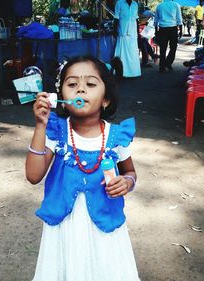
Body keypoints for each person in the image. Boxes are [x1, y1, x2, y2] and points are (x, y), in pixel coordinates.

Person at [26, 56, 140, 281]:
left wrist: (126, 183)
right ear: (60, 97)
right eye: (71, 84)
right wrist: (40, 126)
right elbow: (33, 175)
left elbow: (130, 172)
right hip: (64, 226)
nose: (80, 90)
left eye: (90, 84)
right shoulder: (56, 132)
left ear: (106, 99)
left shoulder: (117, 137)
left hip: (104, 225)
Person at [114, 0, 142, 78]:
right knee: (122, 53)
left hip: (132, 32)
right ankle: (122, 73)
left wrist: (137, 32)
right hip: (123, 31)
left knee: (133, 53)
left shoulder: (135, 4)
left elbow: (136, 19)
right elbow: (116, 18)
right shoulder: (119, 3)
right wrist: (114, 30)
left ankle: (133, 72)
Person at [154, 0, 183, 73]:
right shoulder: (176, 5)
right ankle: (168, 62)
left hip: (162, 28)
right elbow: (179, 18)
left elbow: (156, 20)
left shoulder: (159, 6)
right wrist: (181, 30)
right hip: (173, 28)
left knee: (163, 48)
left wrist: (156, 31)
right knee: (173, 47)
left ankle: (162, 67)